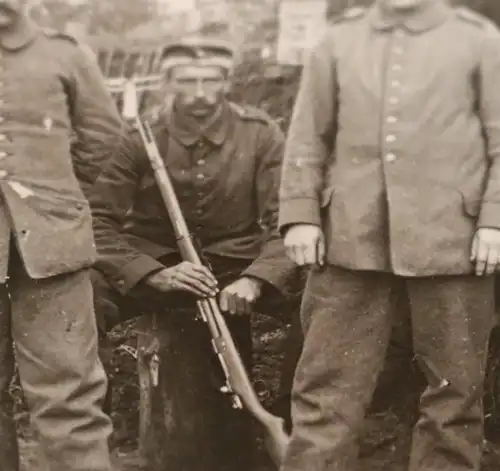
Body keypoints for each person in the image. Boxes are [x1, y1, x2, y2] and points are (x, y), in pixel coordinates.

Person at [278, 1, 500, 471]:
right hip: (349, 238)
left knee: (454, 398)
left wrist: (494, 221)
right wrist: (301, 214)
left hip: (453, 242)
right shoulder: (338, 41)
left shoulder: (478, 40)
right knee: (325, 392)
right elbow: (307, 136)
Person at [88, 36, 298, 471]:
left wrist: (257, 277)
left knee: (320, 300)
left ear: (227, 81)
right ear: (167, 84)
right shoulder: (139, 137)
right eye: (187, 81)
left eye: (211, 80)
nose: (201, 93)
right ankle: (94, 441)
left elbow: (287, 220)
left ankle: (284, 424)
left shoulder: (261, 134)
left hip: (237, 267)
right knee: (83, 298)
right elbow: (98, 221)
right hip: (160, 266)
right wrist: (149, 273)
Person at [0, 1, 125, 471]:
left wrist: (52, 195)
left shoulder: (65, 55)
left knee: (69, 397)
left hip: (54, 248)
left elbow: (106, 141)